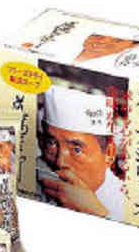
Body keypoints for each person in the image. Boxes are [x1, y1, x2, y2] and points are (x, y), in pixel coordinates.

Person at [37, 84, 123, 221]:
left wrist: (94, 212)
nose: (60, 162)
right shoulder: (35, 176)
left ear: (109, 154)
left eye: (77, 150)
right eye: (51, 143)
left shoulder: (124, 206)